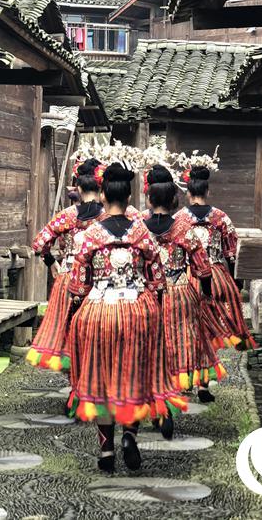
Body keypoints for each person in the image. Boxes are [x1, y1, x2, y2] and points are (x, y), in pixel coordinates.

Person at [65, 163, 187, 472]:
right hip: (136, 311)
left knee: (100, 379)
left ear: (104, 194)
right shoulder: (141, 233)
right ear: (130, 195)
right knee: (134, 374)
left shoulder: (90, 235)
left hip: (99, 311)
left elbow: (78, 285)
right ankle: (130, 436)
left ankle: (106, 451)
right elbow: (158, 280)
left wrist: (72, 314)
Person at [143, 166, 226, 422]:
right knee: (178, 346)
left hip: (147, 296)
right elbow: (203, 268)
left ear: (148, 199)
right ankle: (173, 395)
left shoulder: (139, 231)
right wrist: (207, 294)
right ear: (173, 200)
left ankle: (155, 402)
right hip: (180, 293)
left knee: (150, 348)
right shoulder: (183, 230)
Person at [26, 158, 106, 372]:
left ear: (78, 188)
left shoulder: (68, 216)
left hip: (69, 275)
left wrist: (51, 262)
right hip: (98, 280)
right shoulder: (106, 217)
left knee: (68, 327)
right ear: (100, 186)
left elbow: (39, 242)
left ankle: (74, 376)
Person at [173, 166, 257, 351]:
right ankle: (223, 342)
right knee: (222, 307)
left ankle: (195, 351)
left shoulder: (178, 219)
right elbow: (232, 254)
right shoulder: (221, 217)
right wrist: (236, 282)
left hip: (188, 275)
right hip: (217, 273)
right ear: (207, 191)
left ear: (188, 193)